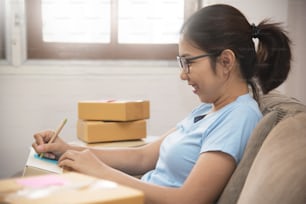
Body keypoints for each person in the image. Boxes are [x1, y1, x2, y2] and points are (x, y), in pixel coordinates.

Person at [32, 4, 292, 204]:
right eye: (182, 63)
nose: (182, 74)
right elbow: (143, 156)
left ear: (225, 62)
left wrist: (101, 172)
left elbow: (189, 200)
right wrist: (68, 150)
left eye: (189, 62)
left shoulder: (239, 117)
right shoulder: (208, 108)